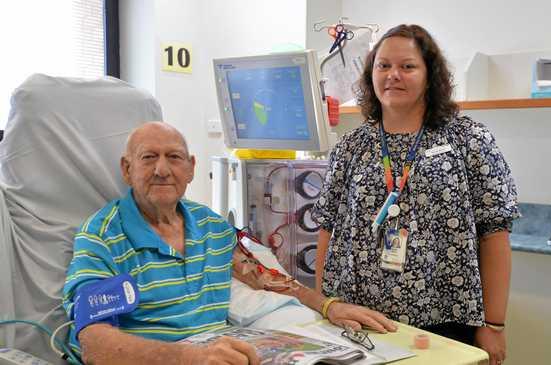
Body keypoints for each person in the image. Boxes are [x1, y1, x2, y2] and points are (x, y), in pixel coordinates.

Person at [63, 122, 396, 365]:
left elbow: (265, 277)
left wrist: (328, 306)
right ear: (127, 168)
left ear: (191, 168)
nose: (162, 170)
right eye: (149, 158)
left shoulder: (209, 225)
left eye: (174, 157)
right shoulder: (102, 236)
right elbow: (96, 345)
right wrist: (189, 358)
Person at [311, 24, 519, 365]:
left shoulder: (468, 139)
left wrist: (493, 325)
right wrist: (326, 306)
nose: (393, 75)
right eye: (383, 66)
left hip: (444, 321)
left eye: (407, 66)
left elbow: (494, 234)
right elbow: (326, 227)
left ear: (429, 75)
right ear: (371, 74)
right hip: (359, 317)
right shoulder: (353, 145)